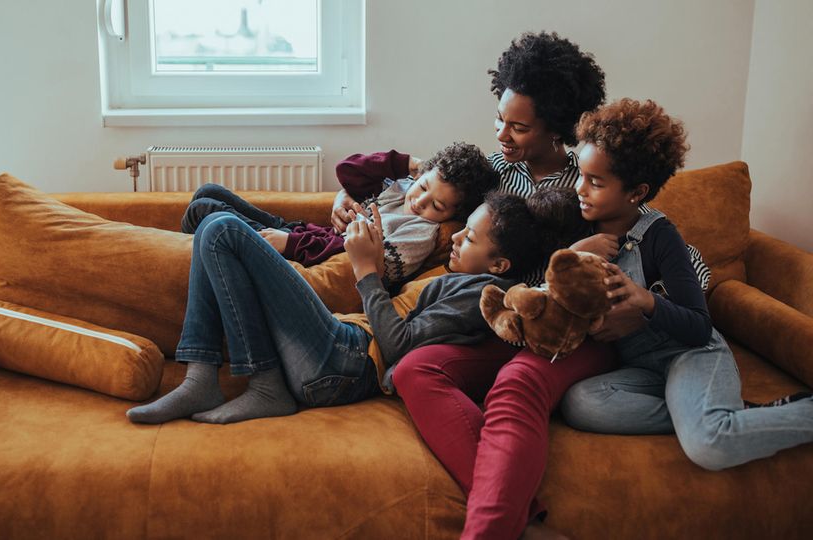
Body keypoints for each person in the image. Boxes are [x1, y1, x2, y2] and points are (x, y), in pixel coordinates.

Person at [391, 31, 616, 540]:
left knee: (516, 384)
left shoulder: (589, 182)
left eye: (518, 127)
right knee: (412, 369)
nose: (502, 134)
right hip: (499, 324)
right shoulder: (494, 172)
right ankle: (525, 523)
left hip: (563, 332)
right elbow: (420, 187)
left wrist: (582, 254)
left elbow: (639, 236)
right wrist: (349, 199)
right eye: (499, 119)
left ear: (557, 127)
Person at [125, 190, 546, 426]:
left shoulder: (483, 293)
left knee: (221, 230)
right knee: (211, 217)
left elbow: (399, 347)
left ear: (500, 265)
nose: (455, 238)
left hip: (346, 363)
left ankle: (240, 384)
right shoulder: (452, 271)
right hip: (338, 338)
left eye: (469, 238)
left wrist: (367, 272)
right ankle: (217, 378)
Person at [558, 98, 813, 470]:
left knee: (710, 446)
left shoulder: (661, 236)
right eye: (581, 175)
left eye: (595, 182)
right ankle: (713, 413)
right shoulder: (580, 227)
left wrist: (646, 303)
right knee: (580, 403)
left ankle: (717, 421)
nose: (580, 188)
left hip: (691, 355)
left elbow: (698, 326)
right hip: (644, 369)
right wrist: (573, 253)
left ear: (636, 193)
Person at [181, 142, 497, 285]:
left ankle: (194, 273)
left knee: (205, 211)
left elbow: (358, 263)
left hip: (308, 253)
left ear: (455, 214)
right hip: (308, 234)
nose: (421, 202)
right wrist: (407, 164)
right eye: (424, 186)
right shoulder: (401, 187)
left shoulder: (420, 234)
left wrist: (291, 244)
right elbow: (348, 171)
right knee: (209, 192)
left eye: (437, 206)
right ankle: (204, 264)